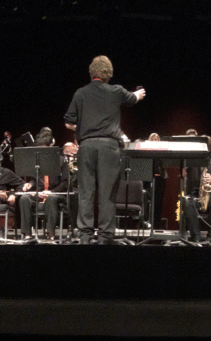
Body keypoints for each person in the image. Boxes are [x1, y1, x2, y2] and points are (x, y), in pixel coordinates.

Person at [64, 55, 145, 244]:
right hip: (109, 147)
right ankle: (105, 236)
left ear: (92, 72)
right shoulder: (116, 91)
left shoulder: (80, 93)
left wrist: (85, 127)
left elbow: (68, 123)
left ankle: (84, 236)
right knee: (107, 194)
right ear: (109, 73)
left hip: (87, 146)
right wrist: (139, 94)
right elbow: (133, 98)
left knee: (86, 193)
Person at [180, 142, 211, 244]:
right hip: (194, 195)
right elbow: (182, 177)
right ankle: (196, 236)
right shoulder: (191, 163)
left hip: (210, 196)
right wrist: (183, 170)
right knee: (187, 202)